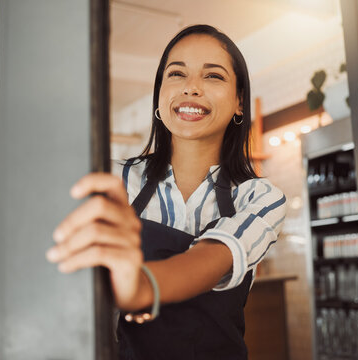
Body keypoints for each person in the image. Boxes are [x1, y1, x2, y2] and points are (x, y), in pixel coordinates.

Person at [46, 24, 286, 360]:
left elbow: (211, 257)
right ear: (160, 95)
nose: (191, 88)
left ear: (239, 102)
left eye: (213, 76)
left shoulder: (259, 197)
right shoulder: (114, 181)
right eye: (176, 74)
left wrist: (140, 287)